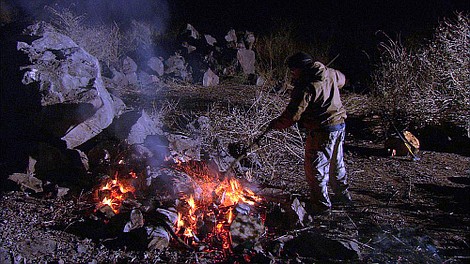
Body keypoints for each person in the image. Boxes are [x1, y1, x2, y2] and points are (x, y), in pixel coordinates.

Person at [268, 51, 352, 214]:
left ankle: (321, 206)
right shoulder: (328, 72)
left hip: (322, 130)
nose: (292, 74)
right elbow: (342, 79)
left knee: (316, 169)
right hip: (340, 125)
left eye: (293, 70)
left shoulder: (306, 85)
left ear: (300, 68)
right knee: (337, 164)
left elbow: (293, 115)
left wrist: (275, 125)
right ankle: (344, 197)